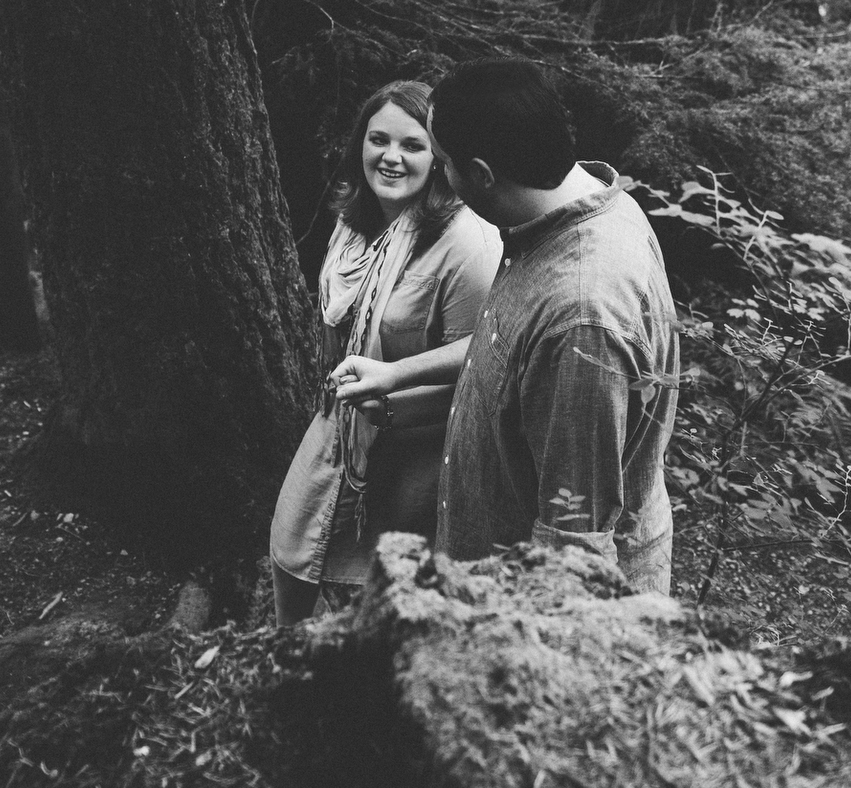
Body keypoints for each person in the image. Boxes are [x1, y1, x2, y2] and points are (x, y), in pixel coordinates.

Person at [330, 59, 678, 594]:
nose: (440, 177)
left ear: (482, 174)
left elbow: (573, 543)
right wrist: (399, 385)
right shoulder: (562, 215)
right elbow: (509, 363)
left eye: (443, 162)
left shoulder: (581, 319)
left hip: (519, 616)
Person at [269, 80, 502, 623]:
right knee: (291, 546)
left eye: (412, 145)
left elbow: (488, 349)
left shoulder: (466, 241)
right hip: (341, 425)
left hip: (418, 445)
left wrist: (396, 378)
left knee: (379, 591)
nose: (391, 157)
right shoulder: (353, 224)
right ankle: (287, 659)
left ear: (439, 157)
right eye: (378, 140)